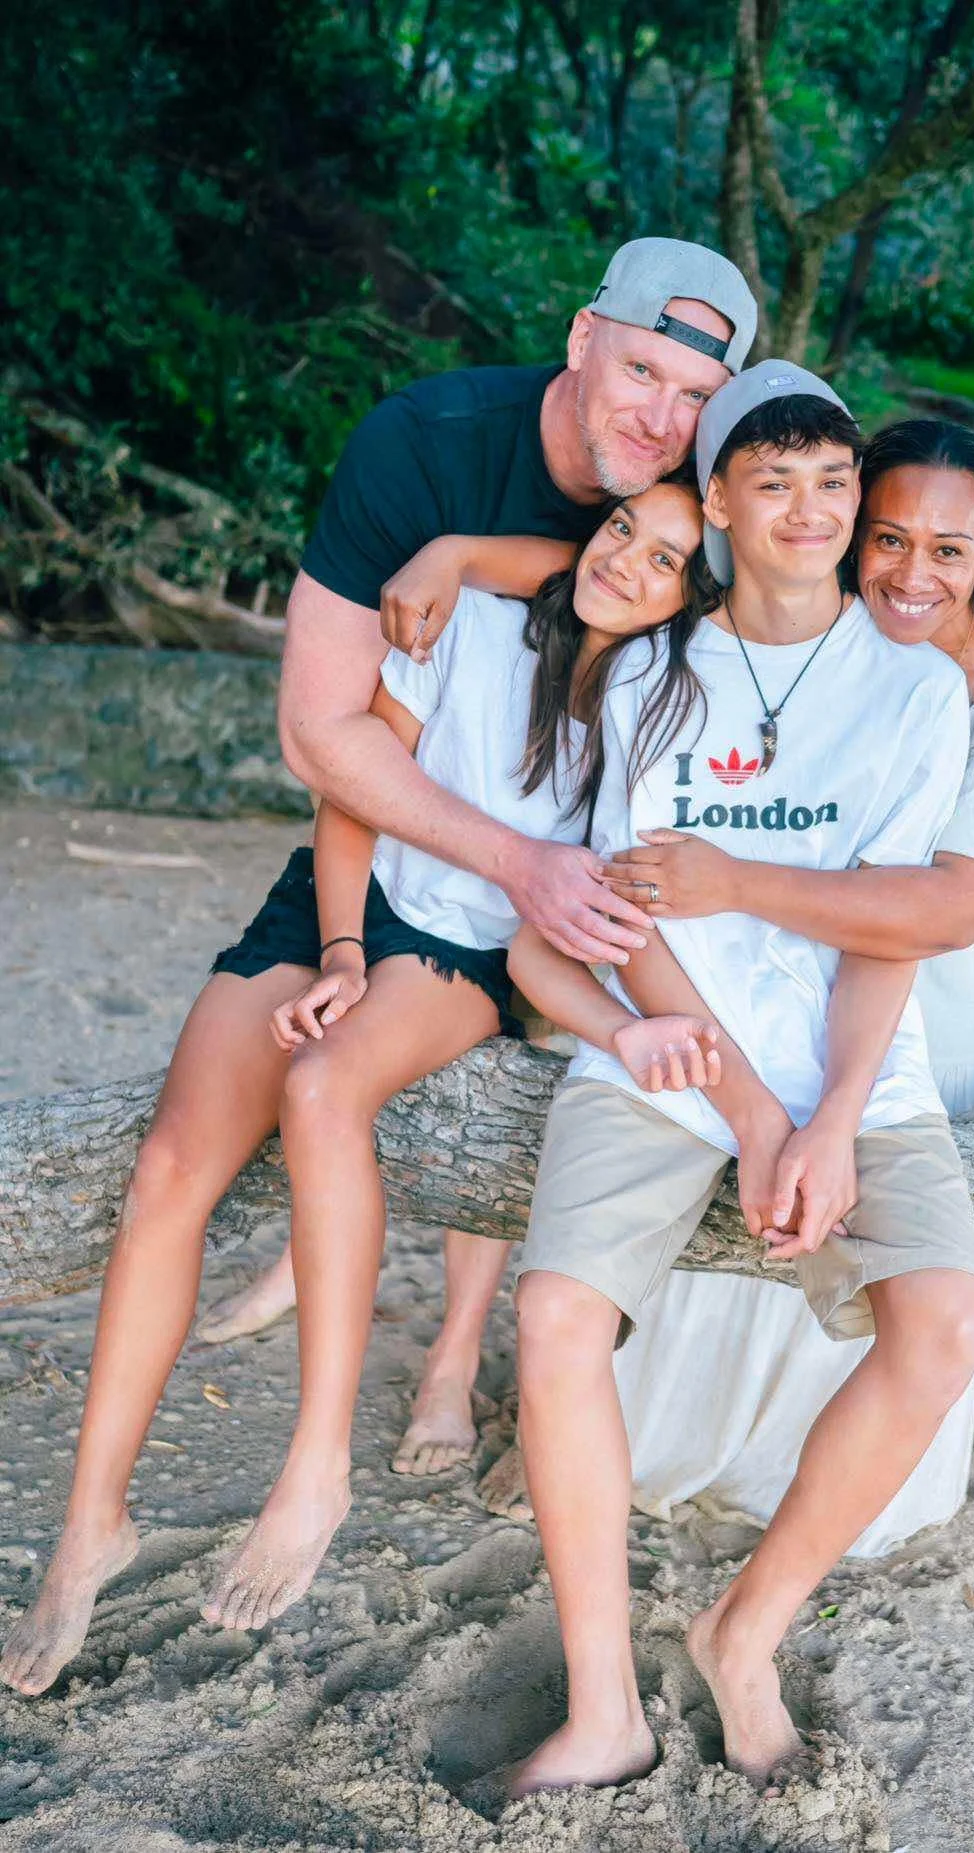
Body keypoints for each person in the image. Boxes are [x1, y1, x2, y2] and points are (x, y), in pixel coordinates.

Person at [0, 481, 716, 1699]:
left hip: (468, 947)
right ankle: (91, 1525)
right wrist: (338, 952)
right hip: (342, 896)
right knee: (169, 1167)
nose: (626, 563)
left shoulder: (657, 703)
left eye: (665, 562)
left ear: (689, 600)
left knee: (325, 1085)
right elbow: (352, 797)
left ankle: (315, 1465)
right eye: (620, 531)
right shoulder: (476, 618)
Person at [197, 236, 758, 1483]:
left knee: (519, 1070)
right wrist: (453, 550)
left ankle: (452, 1354)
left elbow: (657, 580)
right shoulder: (449, 446)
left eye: (695, 396)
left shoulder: (688, 515)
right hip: (457, 851)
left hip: (574, 888)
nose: (663, 415)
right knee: (365, 1042)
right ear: (584, 340)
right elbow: (330, 735)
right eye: (645, 373)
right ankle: (317, 1252)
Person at [506, 367, 974, 1794]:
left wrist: (830, 1117)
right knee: (554, 1316)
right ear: (716, 501)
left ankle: (745, 1631)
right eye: (773, 482)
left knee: (947, 1328)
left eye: (833, 482)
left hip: (857, 1068)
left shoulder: (914, 685)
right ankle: (604, 1705)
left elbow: (891, 923)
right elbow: (631, 918)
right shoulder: (653, 673)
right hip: (673, 1055)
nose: (810, 510)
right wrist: (752, 1114)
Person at [599, 418, 974, 1552]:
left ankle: (829, 1491)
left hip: (933, 1016)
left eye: (947, 549)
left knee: (877, 1266)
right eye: (888, 538)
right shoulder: (791, 650)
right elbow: (594, 578)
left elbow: (950, 909)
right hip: (767, 1001)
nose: (911, 573)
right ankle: (680, 1442)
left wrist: (733, 880)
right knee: (734, 1236)